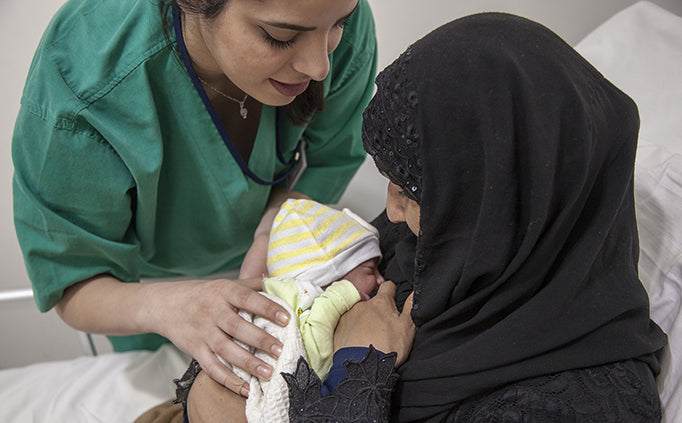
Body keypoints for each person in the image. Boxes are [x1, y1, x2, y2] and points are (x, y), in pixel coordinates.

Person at [185, 11, 668, 422]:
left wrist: (357, 368)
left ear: (504, 203)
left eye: (411, 192)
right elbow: (212, 386)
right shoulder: (432, 243)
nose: (391, 210)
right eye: (391, 181)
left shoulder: (584, 403)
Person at [11, 0, 378, 396]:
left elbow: (334, 157)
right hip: (145, 291)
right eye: (280, 37)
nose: (319, 66)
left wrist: (277, 223)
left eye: (339, 24)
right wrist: (166, 307)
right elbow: (73, 280)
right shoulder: (88, 75)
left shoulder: (321, 14)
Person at [188, 198, 386, 422]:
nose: (380, 280)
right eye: (370, 270)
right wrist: (342, 296)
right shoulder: (304, 302)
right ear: (330, 277)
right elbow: (316, 359)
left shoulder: (283, 289)